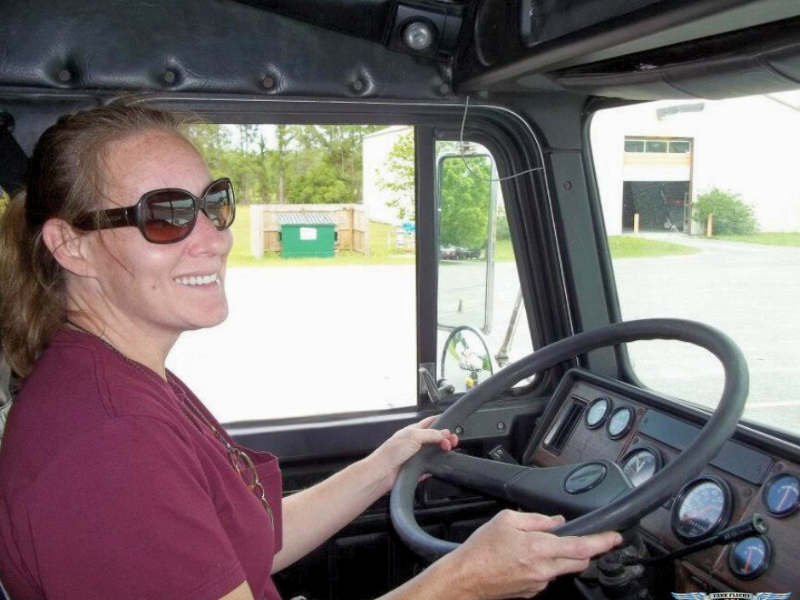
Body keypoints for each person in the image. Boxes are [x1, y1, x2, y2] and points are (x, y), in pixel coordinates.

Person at [0, 103, 621, 600]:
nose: (214, 239)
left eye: (214, 204)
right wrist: (463, 582)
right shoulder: (111, 440)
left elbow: (249, 542)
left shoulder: (122, 376)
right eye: (166, 216)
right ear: (70, 246)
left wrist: (386, 462)